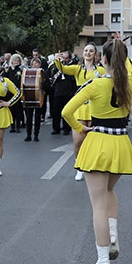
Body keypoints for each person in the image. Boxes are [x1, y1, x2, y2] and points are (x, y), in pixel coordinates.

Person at [62, 39, 132, 264]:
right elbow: (127, 68)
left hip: (98, 141)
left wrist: (80, 128)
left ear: (102, 59)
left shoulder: (95, 84)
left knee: (98, 205)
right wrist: (120, 49)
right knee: (109, 191)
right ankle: (112, 235)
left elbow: (66, 111)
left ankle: (103, 260)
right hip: (120, 142)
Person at [53, 44, 104, 181]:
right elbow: (63, 69)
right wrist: (57, 59)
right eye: (86, 50)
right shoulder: (77, 69)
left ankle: (91, 165)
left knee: (92, 141)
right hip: (80, 108)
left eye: (91, 51)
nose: (88, 53)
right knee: (77, 141)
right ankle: (79, 166)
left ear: (95, 54)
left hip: (94, 108)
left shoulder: (100, 70)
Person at [22, 57, 48, 142]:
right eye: (33, 64)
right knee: (29, 117)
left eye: (36, 63)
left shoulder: (43, 73)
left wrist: (43, 85)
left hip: (39, 97)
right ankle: (28, 135)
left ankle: (36, 135)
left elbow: (48, 85)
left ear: (39, 64)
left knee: (37, 117)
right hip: (29, 96)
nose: (34, 65)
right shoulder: (28, 72)